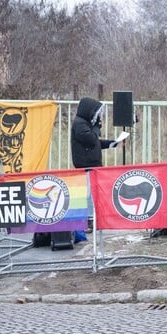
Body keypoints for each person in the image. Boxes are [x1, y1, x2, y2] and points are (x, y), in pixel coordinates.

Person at [71, 97, 121, 242]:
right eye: (96, 113)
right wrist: (97, 127)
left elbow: (96, 143)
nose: (98, 117)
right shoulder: (80, 125)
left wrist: (112, 143)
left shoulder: (85, 124)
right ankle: (87, 221)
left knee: (93, 194)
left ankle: (92, 219)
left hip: (92, 165)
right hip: (85, 166)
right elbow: (91, 139)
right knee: (87, 195)